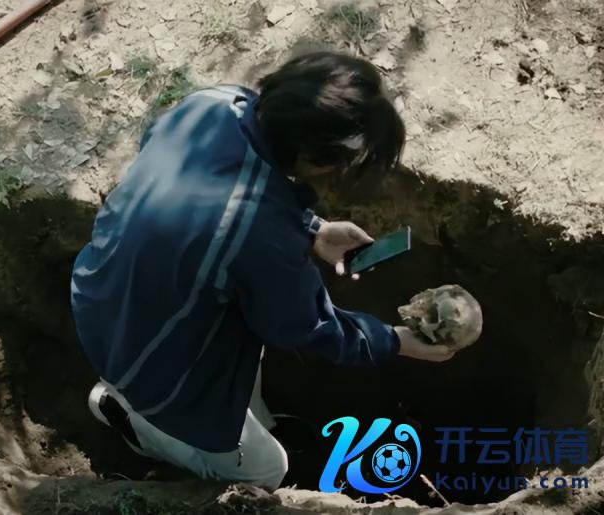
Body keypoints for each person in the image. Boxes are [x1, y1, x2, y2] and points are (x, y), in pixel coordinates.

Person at [70, 51, 456, 490]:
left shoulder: (214, 103)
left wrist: (311, 229)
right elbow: (306, 327)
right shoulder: (259, 235)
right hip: (147, 365)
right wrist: (394, 342)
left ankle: (244, 416)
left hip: (103, 295)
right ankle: (129, 417)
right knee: (267, 470)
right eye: (340, 165)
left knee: (241, 321)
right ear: (313, 157)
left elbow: (221, 208)